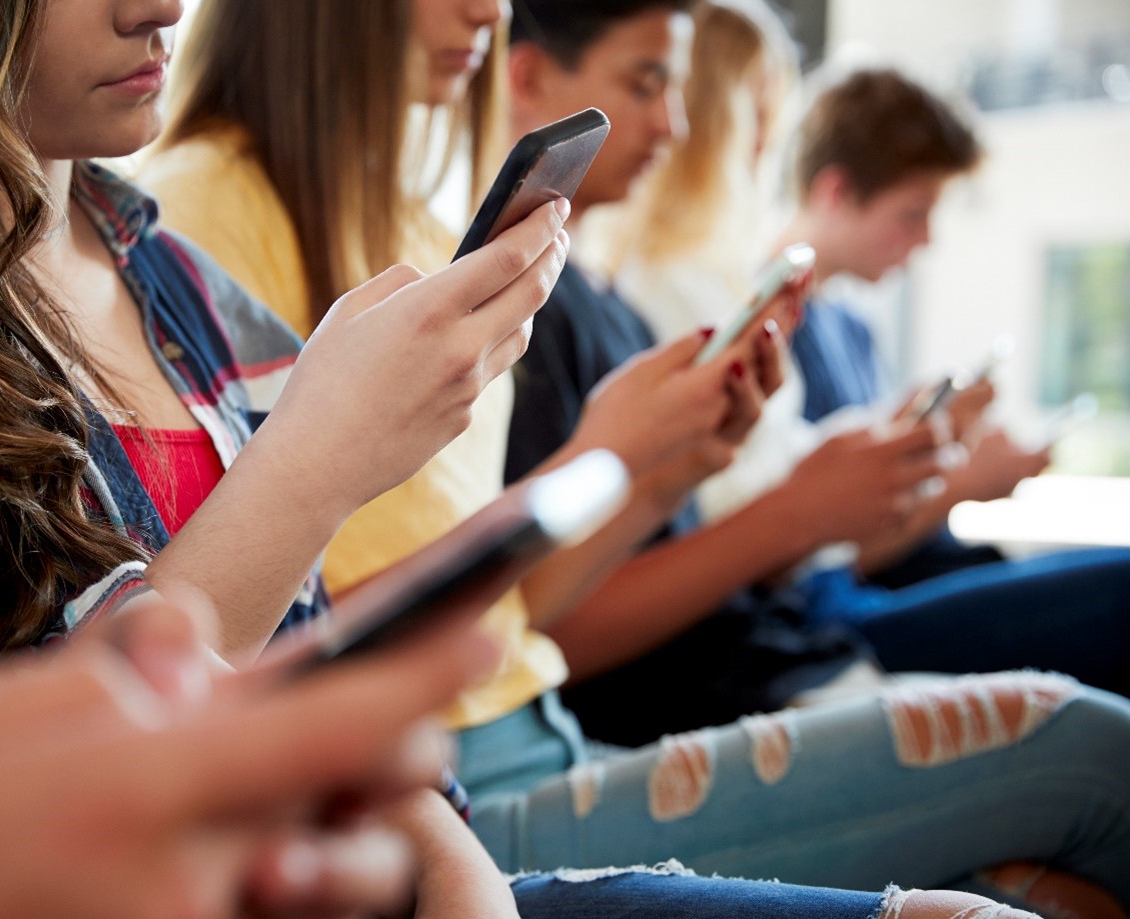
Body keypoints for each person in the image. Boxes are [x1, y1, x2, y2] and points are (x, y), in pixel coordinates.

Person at [148, 0, 1130, 916]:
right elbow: (258, 646)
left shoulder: (407, 223)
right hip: (447, 782)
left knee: (1049, 861)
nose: (488, 11)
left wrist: (659, 465)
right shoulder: (202, 222)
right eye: (647, 84)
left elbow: (516, 611)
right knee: (1075, 747)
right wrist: (613, 463)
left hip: (534, 739)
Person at [0, 2, 509, 915]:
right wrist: (314, 469)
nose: (162, 7)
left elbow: (322, 691)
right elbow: (23, 820)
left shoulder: (182, 283)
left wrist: (461, 872)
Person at [609, 5, 1130, 697]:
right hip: (802, 616)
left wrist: (907, 454)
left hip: (804, 608)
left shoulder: (786, 311)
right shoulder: (671, 298)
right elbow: (803, 527)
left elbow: (797, 496)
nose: (770, 143)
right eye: (758, 117)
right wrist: (950, 481)